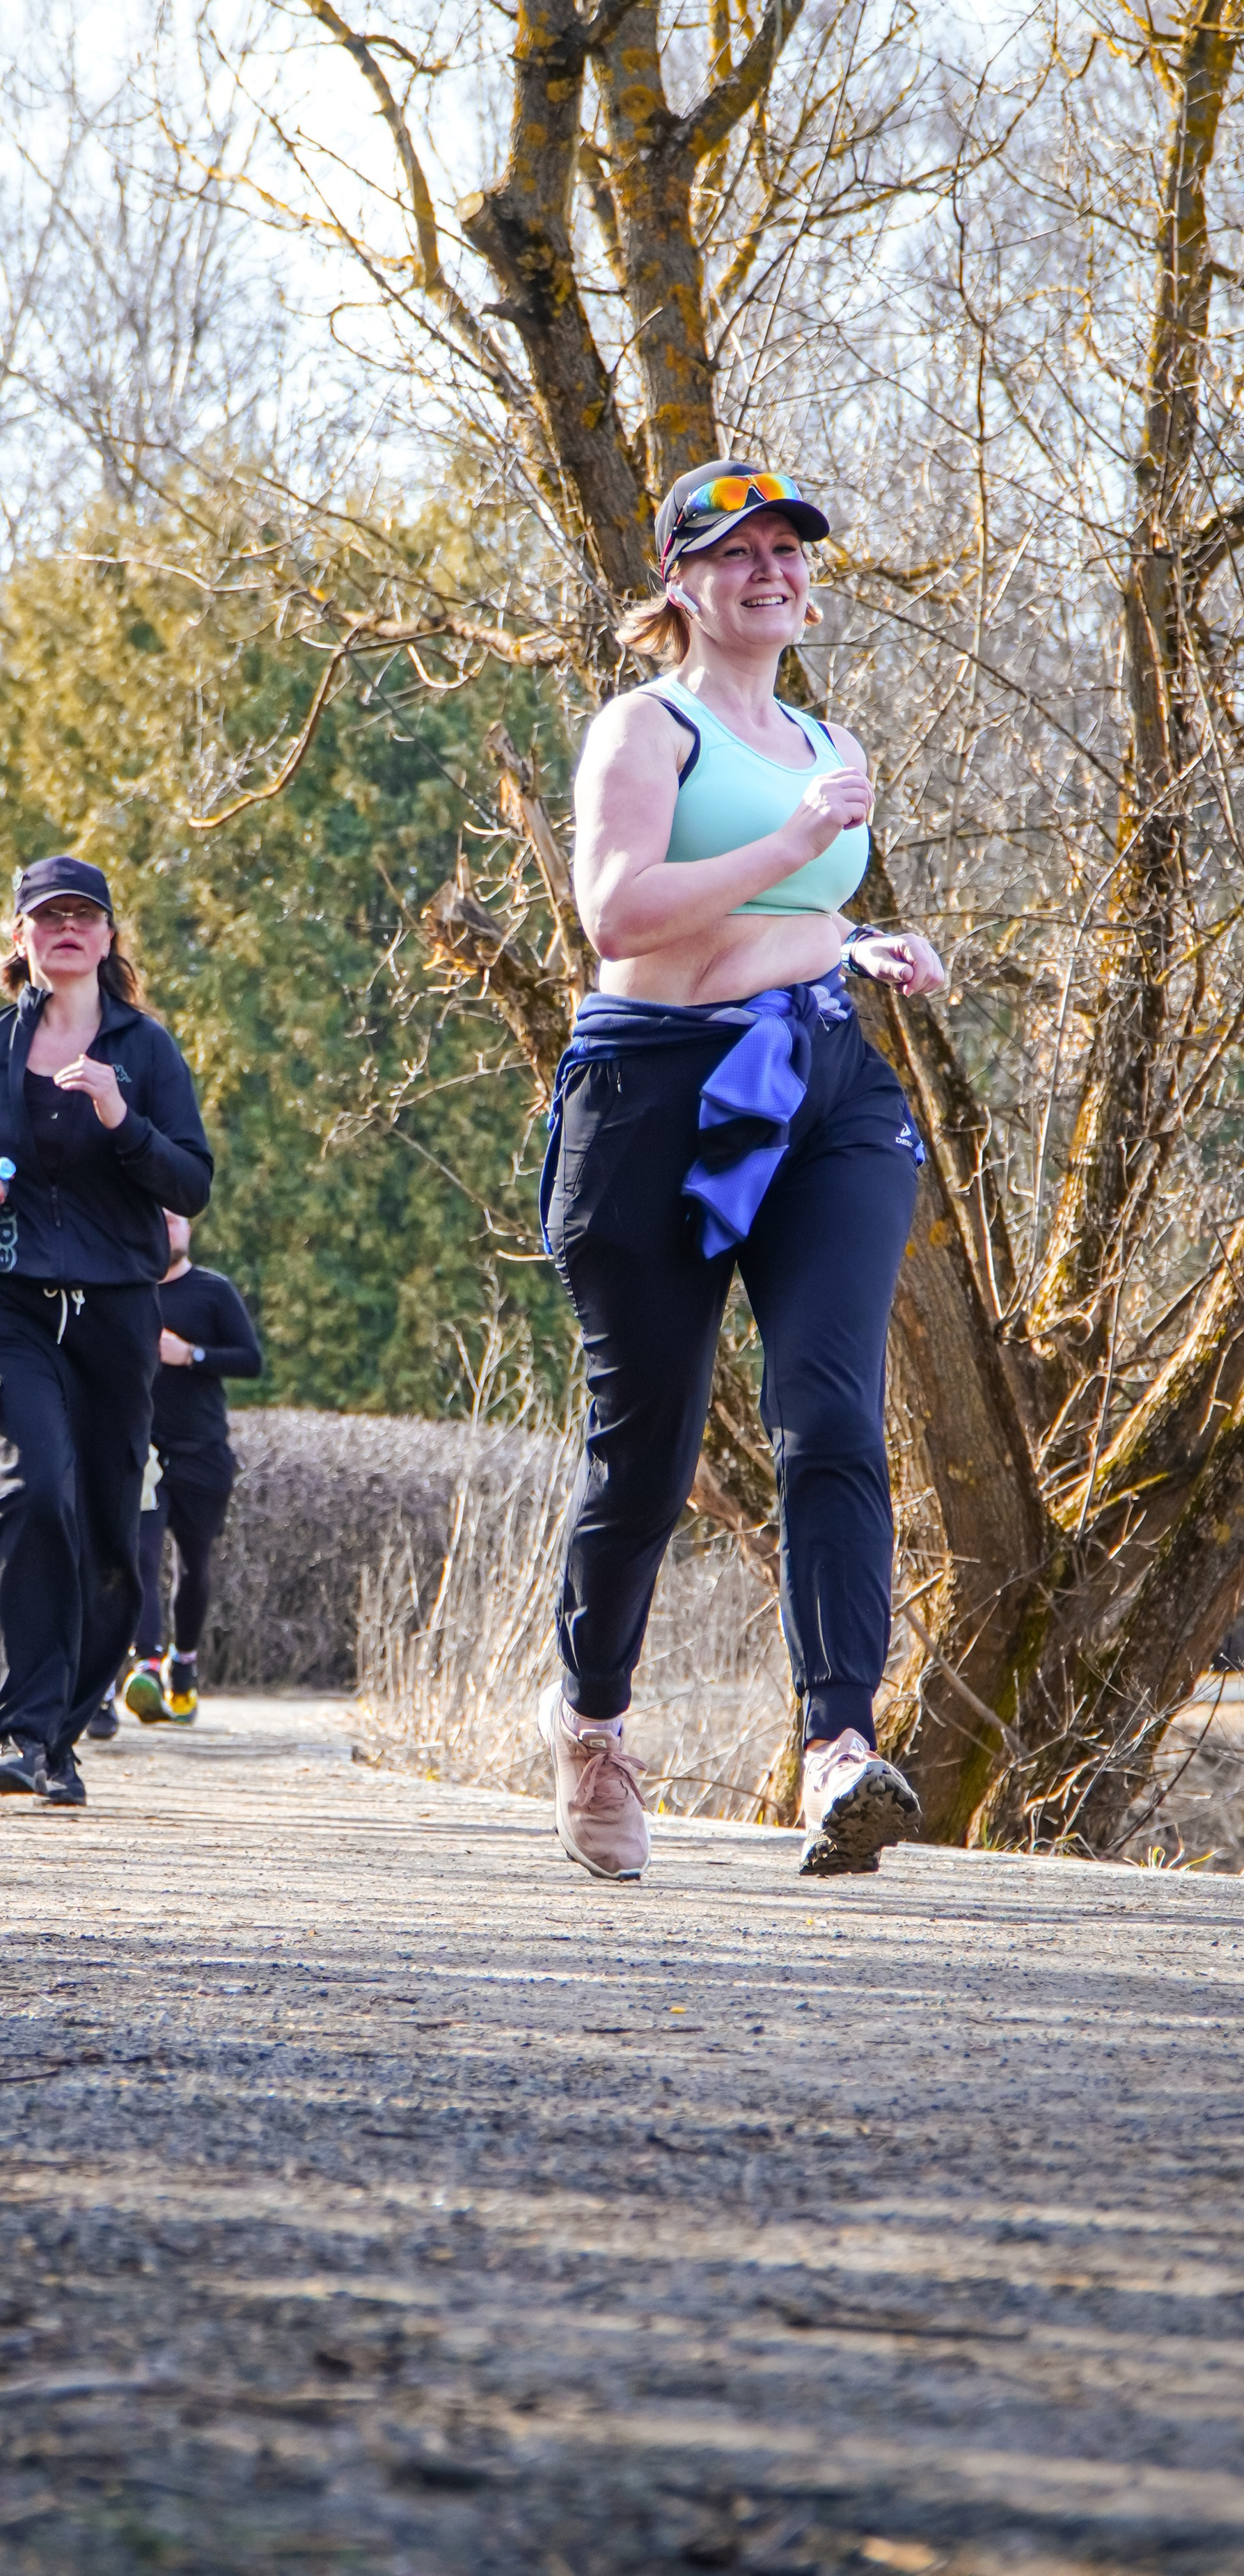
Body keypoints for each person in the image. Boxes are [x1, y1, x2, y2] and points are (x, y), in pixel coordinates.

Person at [539, 461, 945, 1881]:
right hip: (653, 1093)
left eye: (786, 551)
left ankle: (839, 1746)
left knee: (828, 1404)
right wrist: (793, 845)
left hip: (820, 1085)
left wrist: (858, 945)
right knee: (640, 1456)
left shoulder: (824, 736)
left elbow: (785, 913)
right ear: (676, 583)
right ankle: (590, 1724)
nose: (769, 572)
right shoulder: (642, 730)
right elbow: (618, 912)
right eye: (733, 553)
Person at [0, 854, 213, 1805]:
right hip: (4, 1302)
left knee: (112, 1529)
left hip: (118, 1305)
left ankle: (63, 1734)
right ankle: (14, 1731)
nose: (67, 930)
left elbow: (190, 1183)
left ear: (110, 938)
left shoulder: (148, 1052)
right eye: (49, 917)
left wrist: (122, 1116)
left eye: (86, 916)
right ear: (21, 939)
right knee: (34, 1486)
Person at [110, 1209, 262, 1731]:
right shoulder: (126, 1287)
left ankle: (184, 1664)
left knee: (194, 1567)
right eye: (161, 1221)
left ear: (190, 1231)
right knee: (142, 1556)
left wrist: (190, 1354)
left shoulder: (213, 1291)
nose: (169, 1229)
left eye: (178, 1221)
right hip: (145, 1452)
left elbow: (251, 1360)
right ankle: (146, 1663)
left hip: (203, 1452)